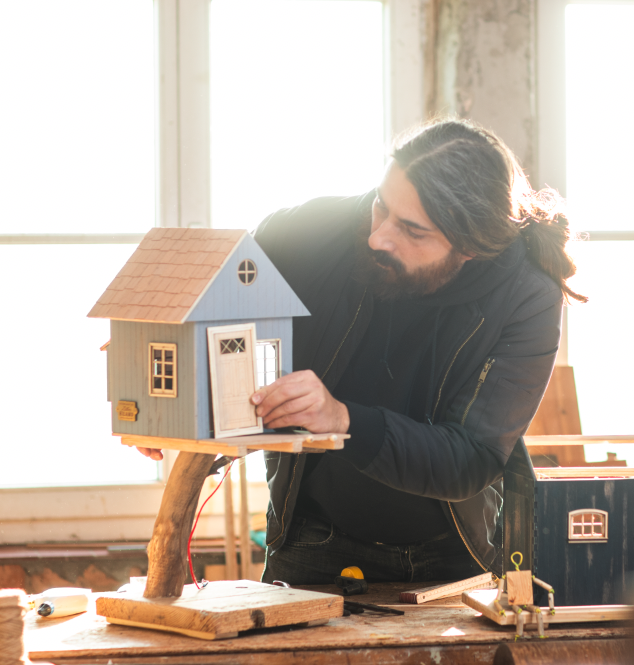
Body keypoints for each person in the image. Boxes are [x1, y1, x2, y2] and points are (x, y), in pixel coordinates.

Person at [250, 119, 586, 585]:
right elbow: (219, 305)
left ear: (469, 247)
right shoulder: (308, 234)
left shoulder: (525, 294)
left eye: (412, 229)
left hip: (452, 554)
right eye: (380, 206)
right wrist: (178, 378)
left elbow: (472, 457)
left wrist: (344, 419)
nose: (378, 237)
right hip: (311, 537)